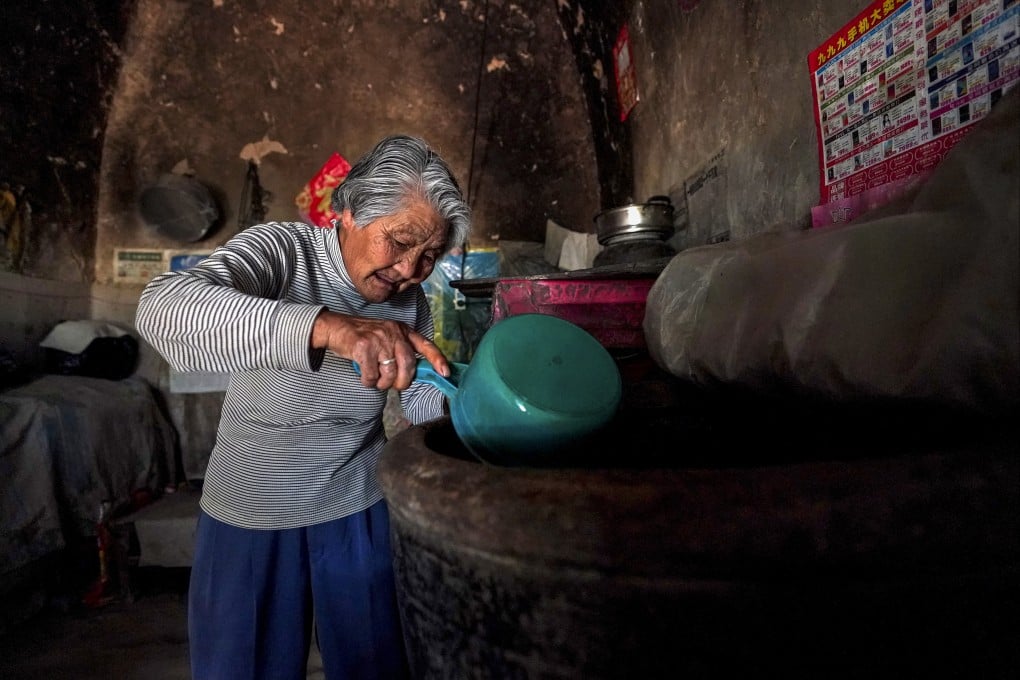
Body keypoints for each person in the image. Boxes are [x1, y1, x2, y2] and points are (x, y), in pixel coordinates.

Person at [135, 134, 471, 680]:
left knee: (376, 665)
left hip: (357, 502)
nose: (410, 269)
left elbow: (420, 395)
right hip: (252, 505)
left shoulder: (408, 300)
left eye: (429, 256)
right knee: (242, 666)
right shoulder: (280, 251)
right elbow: (162, 308)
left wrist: (464, 402)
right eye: (399, 241)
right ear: (348, 213)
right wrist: (327, 327)